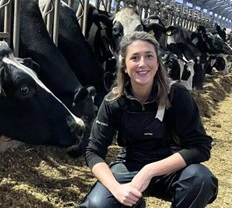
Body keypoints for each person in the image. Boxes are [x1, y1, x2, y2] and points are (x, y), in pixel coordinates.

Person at [80, 31, 218, 208]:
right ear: (124, 65)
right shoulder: (113, 101)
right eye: (135, 58)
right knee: (97, 205)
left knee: (201, 179)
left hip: (171, 166)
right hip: (129, 165)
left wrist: (150, 170)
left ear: (157, 62)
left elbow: (200, 147)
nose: (142, 64)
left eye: (149, 56)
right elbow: (93, 152)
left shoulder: (177, 95)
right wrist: (116, 189)